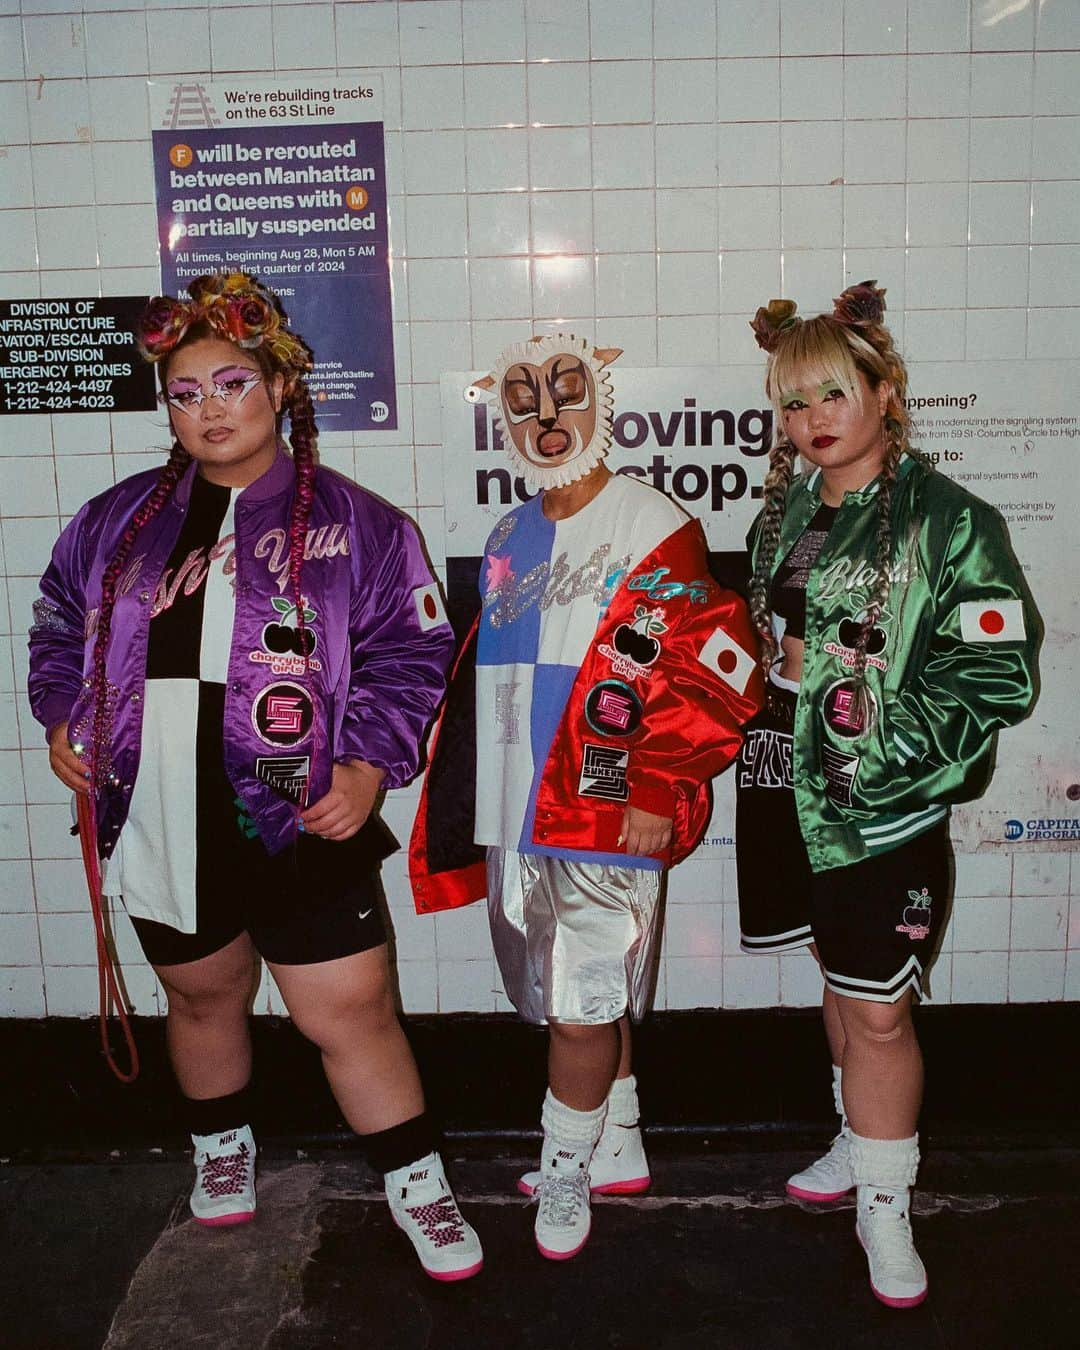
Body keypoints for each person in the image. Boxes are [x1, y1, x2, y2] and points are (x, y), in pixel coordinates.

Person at [27, 272, 483, 1282]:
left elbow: (414, 659)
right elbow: (59, 624)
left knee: (350, 1010)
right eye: (183, 394)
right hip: (157, 811)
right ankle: (219, 1148)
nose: (207, 410)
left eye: (229, 383)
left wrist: (368, 764)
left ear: (281, 388)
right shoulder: (114, 523)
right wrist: (64, 714)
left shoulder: (365, 525)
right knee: (203, 999)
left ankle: (418, 1185)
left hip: (300, 815)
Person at [410, 334, 763, 1260]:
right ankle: (618, 1144)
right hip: (520, 812)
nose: (547, 420)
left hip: (604, 809)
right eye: (525, 404)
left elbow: (720, 663)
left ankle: (564, 1170)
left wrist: (659, 780)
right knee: (579, 993)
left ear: (599, 403)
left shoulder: (652, 521)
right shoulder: (509, 531)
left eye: (566, 398)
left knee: (578, 1003)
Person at [738, 282, 1040, 1308]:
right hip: (785, 785)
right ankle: (855, 1138)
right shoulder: (783, 511)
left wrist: (878, 750)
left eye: (831, 394)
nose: (812, 420)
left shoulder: (951, 522)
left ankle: (887, 1201)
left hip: (880, 803)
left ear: (884, 389)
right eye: (792, 403)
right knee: (839, 974)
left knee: (877, 1016)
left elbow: (997, 677)